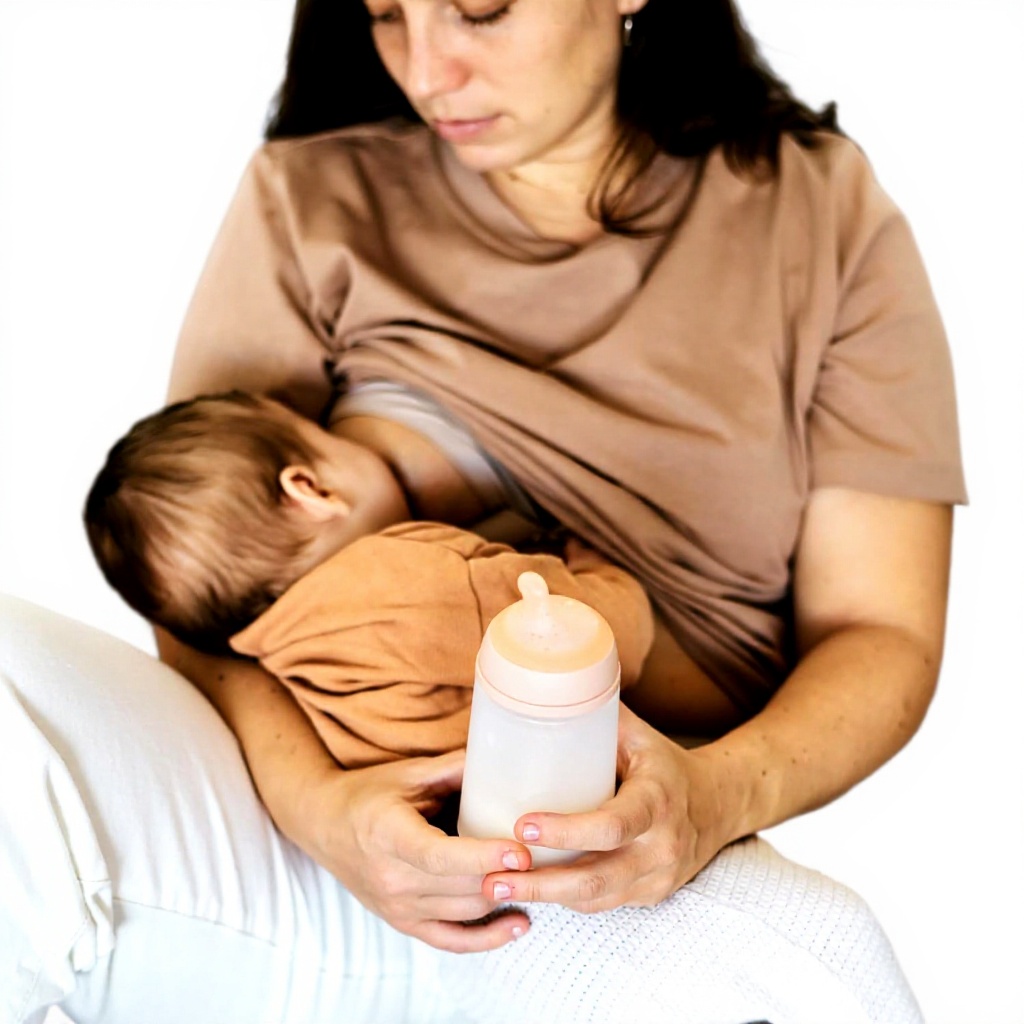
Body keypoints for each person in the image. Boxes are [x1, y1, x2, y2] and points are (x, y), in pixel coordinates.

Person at [0, 0, 964, 1020]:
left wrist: (715, 798)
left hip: (595, 864)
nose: (426, 73)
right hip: (298, 831)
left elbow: (882, 633)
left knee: (823, 967)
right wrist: (325, 810)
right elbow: (197, 587)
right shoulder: (313, 191)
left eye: (480, 10)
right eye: (385, 13)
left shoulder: (818, 214)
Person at [82, 389, 654, 769]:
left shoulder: (293, 670)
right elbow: (603, 637)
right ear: (311, 491)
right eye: (327, 436)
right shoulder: (408, 582)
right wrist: (600, 569)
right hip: (564, 797)